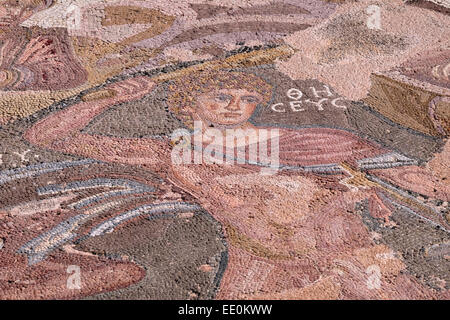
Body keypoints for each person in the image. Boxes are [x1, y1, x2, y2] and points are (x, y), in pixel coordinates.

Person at [24, 69, 449, 299]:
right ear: (187, 103)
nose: (235, 106)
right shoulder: (173, 152)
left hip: (349, 257)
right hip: (259, 264)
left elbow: (424, 182)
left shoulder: (321, 141)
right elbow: (48, 138)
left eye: (247, 98)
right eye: (221, 96)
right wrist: (108, 98)